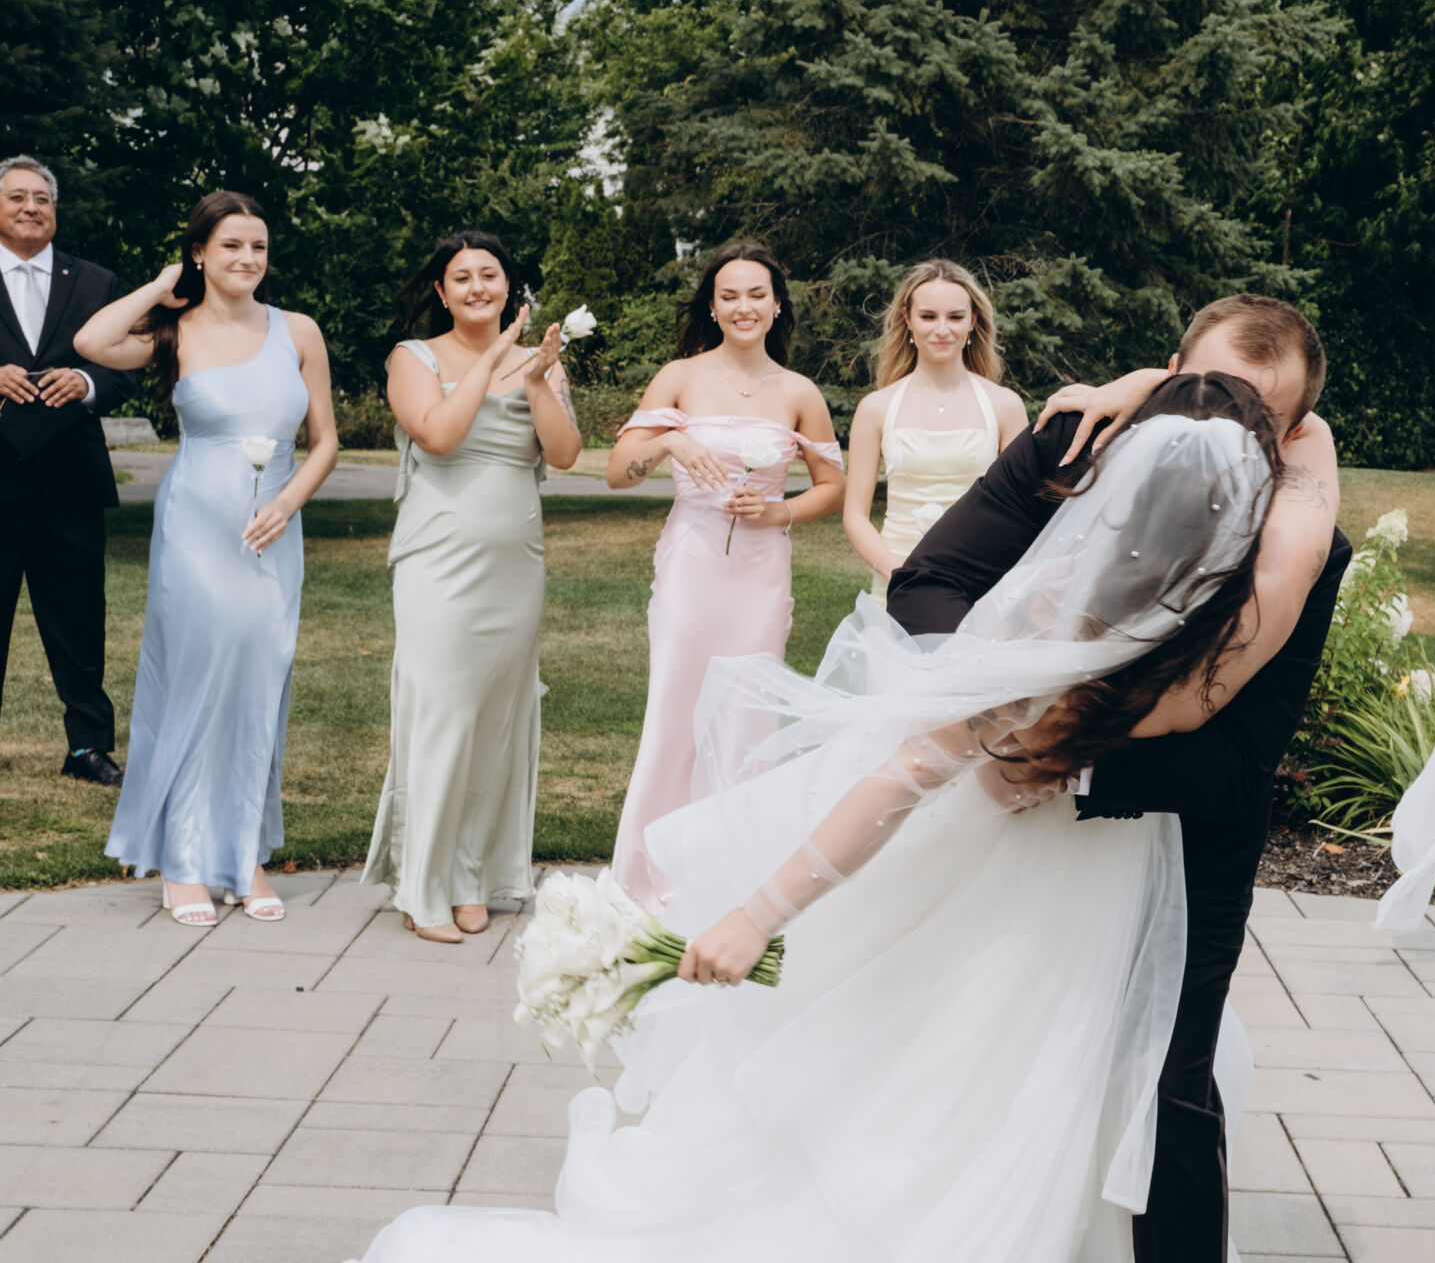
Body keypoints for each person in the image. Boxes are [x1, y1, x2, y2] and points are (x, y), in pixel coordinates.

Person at [355, 372, 1285, 1262]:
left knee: (953, 1087)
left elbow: (907, 774)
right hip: (1093, 892)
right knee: (1042, 1086)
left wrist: (755, 914)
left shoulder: (1055, 608)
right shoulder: (1224, 628)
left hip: (1020, 881)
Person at [889, 294, 1347, 1262]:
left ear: (1295, 433)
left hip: (1185, 835)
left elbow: (1239, 748)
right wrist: (996, 705)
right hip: (1001, 811)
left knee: (1166, 1076)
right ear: (1169, 373)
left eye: (1262, 416)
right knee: (969, 1042)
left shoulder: (1307, 538)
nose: (1228, 423)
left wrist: (1064, 749)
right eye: (1208, 388)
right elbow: (930, 581)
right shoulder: (1070, 443)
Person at [75, 191, 339, 927]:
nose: (248, 258)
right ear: (200, 251)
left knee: (258, 681)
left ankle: (242, 852)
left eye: (258, 246)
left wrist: (288, 504)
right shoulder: (174, 329)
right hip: (196, 529)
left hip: (272, 533)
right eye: (231, 245)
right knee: (197, 680)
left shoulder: (299, 331)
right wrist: (162, 287)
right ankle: (185, 858)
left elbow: (325, 442)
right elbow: (92, 342)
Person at [604, 242, 845, 910]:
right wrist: (669, 441)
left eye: (757, 294)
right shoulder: (680, 377)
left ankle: (731, 880)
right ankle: (647, 878)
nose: (744, 306)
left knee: (745, 718)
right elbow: (618, 474)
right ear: (712, 307)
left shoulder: (799, 392)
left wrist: (778, 511)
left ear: (777, 305)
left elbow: (832, 486)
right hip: (692, 565)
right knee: (675, 711)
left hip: (760, 571)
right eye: (730, 295)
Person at [362, 232, 582, 945]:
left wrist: (537, 377)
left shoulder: (540, 363)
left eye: (490, 274)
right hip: (438, 560)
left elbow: (565, 454)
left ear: (509, 286)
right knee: (443, 713)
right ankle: (421, 885)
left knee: (495, 719)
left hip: (516, 564)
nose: (478, 287)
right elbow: (439, 436)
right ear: (442, 291)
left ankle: (471, 877)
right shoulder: (413, 358)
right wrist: (492, 359)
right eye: (462, 277)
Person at [0, 156, 138, 785]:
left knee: (79, 621)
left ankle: (88, 750)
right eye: (17, 197)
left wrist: (85, 381)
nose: (31, 207)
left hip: (71, 482)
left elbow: (129, 367)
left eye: (42, 198)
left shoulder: (97, 282)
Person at [841, 260, 1025, 597]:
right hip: (897, 579)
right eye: (928, 316)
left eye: (955, 317)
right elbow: (854, 514)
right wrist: (895, 569)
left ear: (973, 320)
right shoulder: (875, 408)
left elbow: (1019, 509)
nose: (942, 329)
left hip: (978, 580)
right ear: (907, 318)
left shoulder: (1005, 406)